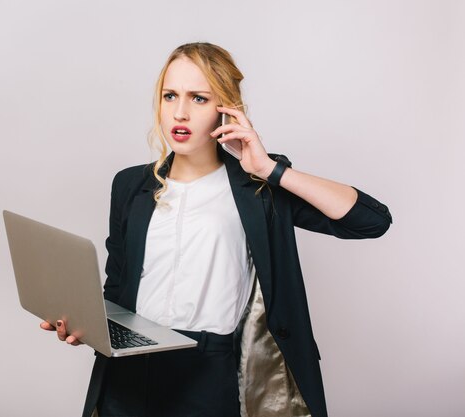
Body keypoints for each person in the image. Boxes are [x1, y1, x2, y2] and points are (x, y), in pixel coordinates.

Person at [40, 42, 392, 417]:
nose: (180, 112)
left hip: (207, 370)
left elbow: (371, 221)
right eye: (170, 95)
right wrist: (85, 326)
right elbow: (118, 288)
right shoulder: (130, 185)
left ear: (226, 110)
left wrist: (270, 169)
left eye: (199, 98)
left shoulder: (256, 188)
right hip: (126, 372)